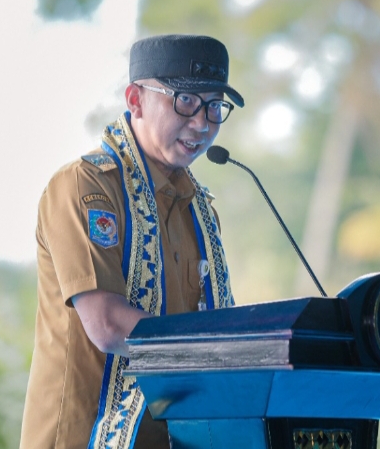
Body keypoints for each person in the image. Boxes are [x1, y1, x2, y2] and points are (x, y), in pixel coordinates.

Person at [20, 34, 242, 449]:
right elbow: (106, 324)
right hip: (83, 437)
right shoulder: (86, 187)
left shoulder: (198, 208)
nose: (202, 123)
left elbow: (211, 320)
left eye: (214, 106)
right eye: (186, 102)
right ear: (136, 100)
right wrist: (228, 352)